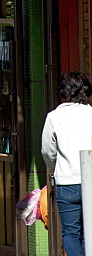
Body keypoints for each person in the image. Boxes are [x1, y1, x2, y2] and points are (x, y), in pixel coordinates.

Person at [42, 71, 92, 256]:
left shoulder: (54, 117)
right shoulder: (91, 114)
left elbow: (47, 150)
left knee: (71, 232)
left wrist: (56, 168)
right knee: (90, 232)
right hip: (90, 180)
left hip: (66, 183)